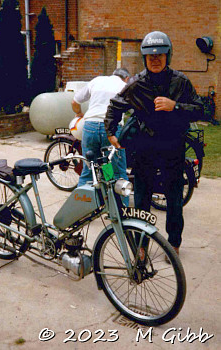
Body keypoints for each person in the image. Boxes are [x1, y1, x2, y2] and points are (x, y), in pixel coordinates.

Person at [105, 31, 204, 257]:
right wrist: (111, 132)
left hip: (173, 147)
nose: (155, 59)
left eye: (160, 55)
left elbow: (201, 110)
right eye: (151, 56)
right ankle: (141, 246)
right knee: (141, 198)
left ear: (168, 56)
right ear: (144, 59)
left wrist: (175, 106)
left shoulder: (181, 82)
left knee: (174, 198)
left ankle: (174, 245)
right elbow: (115, 106)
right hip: (145, 148)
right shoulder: (136, 83)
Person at [71, 68, 131, 187]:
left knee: (89, 170)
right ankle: (118, 204)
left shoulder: (97, 80)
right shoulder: (124, 86)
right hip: (111, 131)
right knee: (117, 172)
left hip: (90, 127)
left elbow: (74, 102)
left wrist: (79, 114)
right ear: (127, 78)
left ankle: (85, 203)